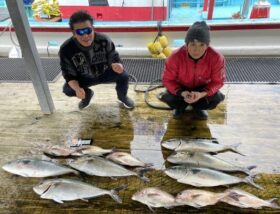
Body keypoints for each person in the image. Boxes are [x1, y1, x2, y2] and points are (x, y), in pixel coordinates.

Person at [59, 10, 134, 110]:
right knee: (68, 89)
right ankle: (87, 95)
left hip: (105, 72)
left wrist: (118, 65)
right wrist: (77, 89)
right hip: (83, 77)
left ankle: (122, 97)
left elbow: (114, 57)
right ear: (73, 33)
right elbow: (68, 75)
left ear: (93, 28)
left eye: (88, 30)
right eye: (80, 32)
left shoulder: (104, 40)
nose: (85, 36)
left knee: (124, 76)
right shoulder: (66, 49)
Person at [160, 21, 225, 120]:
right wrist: (182, 93)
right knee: (167, 97)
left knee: (217, 97)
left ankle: (198, 107)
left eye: (201, 45)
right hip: (181, 87)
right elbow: (167, 80)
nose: (196, 50)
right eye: (193, 44)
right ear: (186, 44)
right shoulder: (174, 57)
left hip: (202, 88)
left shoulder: (216, 57)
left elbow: (218, 81)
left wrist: (201, 94)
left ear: (207, 45)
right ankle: (179, 107)